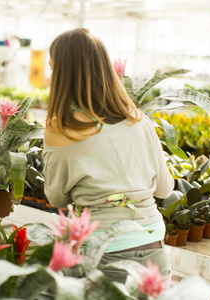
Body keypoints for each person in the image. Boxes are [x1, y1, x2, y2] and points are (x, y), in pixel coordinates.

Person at [43, 28, 174, 286]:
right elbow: (164, 189)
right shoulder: (139, 121)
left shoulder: (60, 129)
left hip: (102, 253)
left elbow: (57, 197)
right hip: (154, 247)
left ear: (63, 74)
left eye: (52, 68)